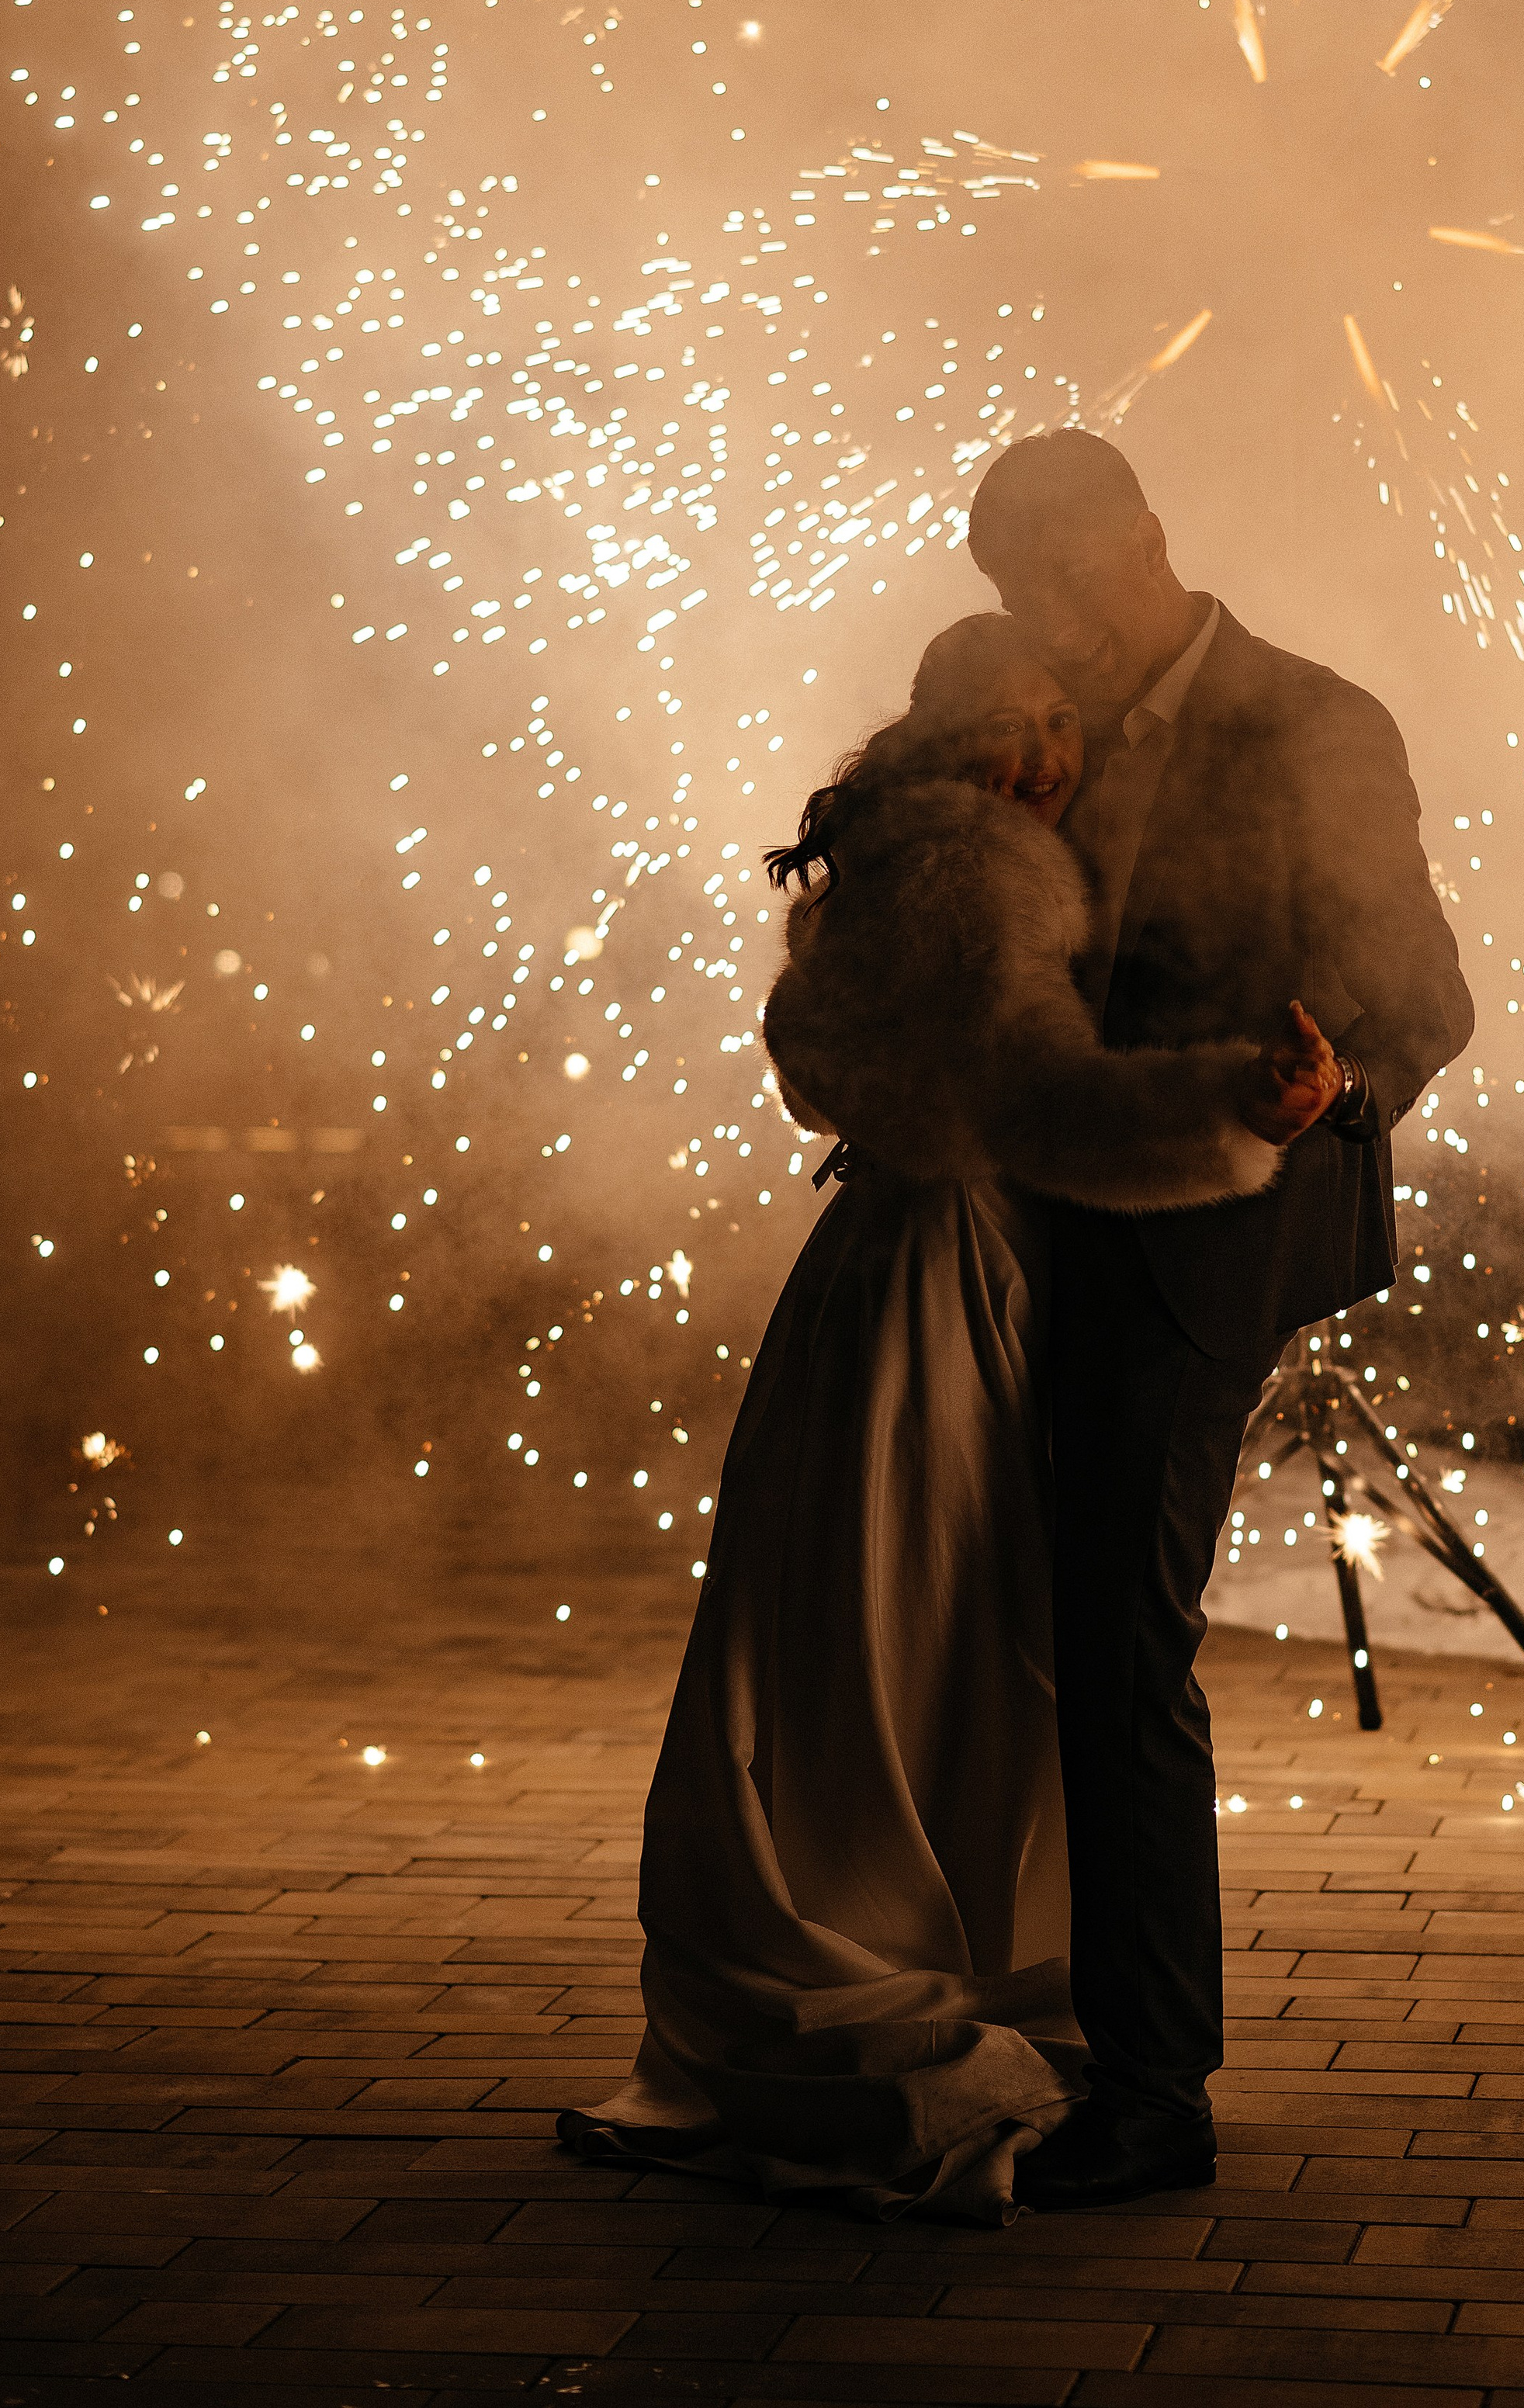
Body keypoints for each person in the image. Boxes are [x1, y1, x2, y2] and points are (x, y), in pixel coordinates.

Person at [559, 612, 1332, 2220]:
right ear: (940, 740)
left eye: (1059, 721)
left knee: (868, 1619)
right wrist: (1230, 1112)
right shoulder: (982, 876)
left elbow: (811, 1063)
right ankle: (911, 1948)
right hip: (955, 1276)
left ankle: (888, 1920)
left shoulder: (884, 863)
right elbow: (1043, 1100)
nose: (1041, 758)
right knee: (939, 1624)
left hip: (882, 1262)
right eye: (1005, 726)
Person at [965, 430, 1476, 2213]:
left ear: (1148, 537)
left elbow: (1422, 992)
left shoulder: (1315, 723)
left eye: (1068, 580)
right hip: (1025, 1220)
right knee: (1019, 1615)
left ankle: (1153, 2087)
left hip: (1205, 1227)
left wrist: (1335, 1083)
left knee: (1117, 1636)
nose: (1050, 621)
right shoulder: (1035, 715)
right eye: (1016, 592)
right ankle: (1017, 2000)